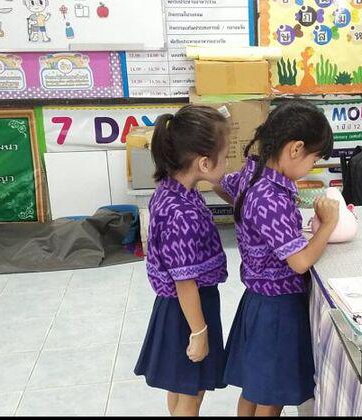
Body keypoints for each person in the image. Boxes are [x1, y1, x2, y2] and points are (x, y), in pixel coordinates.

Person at [217, 99, 339, 417]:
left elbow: (223, 185)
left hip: (257, 301)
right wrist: (328, 225)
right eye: (314, 159)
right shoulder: (272, 198)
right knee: (271, 397)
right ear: (296, 149)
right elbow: (300, 262)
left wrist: (248, 213)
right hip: (278, 309)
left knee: (254, 386)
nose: (311, 167)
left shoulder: (251, 173)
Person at [133, 106, 231, 416]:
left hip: (180, 307)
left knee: (180, 385)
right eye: (225, 156)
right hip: (188, 310)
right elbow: (184, 281)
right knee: (192, 392)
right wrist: (199, 333)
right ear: (204, 163)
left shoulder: (172, 191)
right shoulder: (181, 214)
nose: (227, 163)